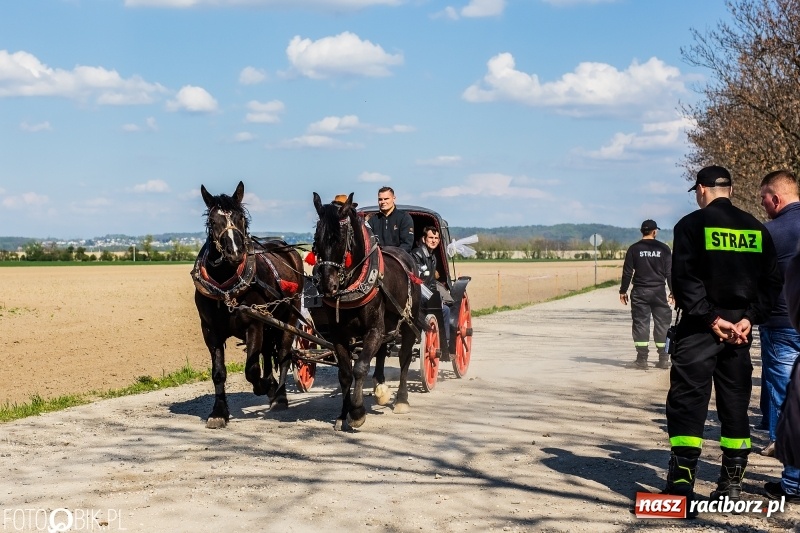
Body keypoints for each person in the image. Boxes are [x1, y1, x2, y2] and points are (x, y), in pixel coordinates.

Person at [662, 165, 782, 511]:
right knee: (734, 404)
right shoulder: (757, 229)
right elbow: (772, 282)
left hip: (701, 328)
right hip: (740, 333)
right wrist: (749, 318)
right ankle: (731, 485)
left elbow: (683, 281)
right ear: (729, 189)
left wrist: (710, 317)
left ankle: (682, 484)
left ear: (701, 189)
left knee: (688, 401)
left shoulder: (690, 225)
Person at [757, 170, 800, 458]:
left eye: (763, 199)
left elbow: (753, 278)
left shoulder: (769, 233)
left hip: (782, 322)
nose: (762, 205)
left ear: (776, 198)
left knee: (782, 387)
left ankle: (781, 444)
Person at [766, 246, 800, 502]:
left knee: (789, 402)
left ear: (775, 201)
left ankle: (794, 482)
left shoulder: (773, 232)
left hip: (783, 328)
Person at [619, 219, 674, 370]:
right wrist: (673, 291)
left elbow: (627, 272)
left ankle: (642, 360)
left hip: (640, 292)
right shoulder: (664, 249)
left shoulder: (634, 249)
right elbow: (669, 272)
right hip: (658, 292)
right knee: (662, 324)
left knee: (640, 324)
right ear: (655, 231)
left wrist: (623, 291)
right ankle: (663, 359)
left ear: (642, 231)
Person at [411, 226, 452, 350]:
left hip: (426, 292)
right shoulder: (417, 254)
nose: (434, 240)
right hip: (417, 291)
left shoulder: (432, 258)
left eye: (436, 238)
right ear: (424, 239)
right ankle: (444, 344)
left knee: (444, 307)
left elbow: (432, 282)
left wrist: (437, 297)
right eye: (431, 237)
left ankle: (442, 340)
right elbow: (418, 279)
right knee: (445, 311)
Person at [367, 186, 414, 252]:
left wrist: (392, 255)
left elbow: (407, 244)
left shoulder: (404, 218)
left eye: (386, 199)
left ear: (394, 198)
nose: (383, 202)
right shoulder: (372, 220)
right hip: (377, 257)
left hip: (398, 258)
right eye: (380, 199)